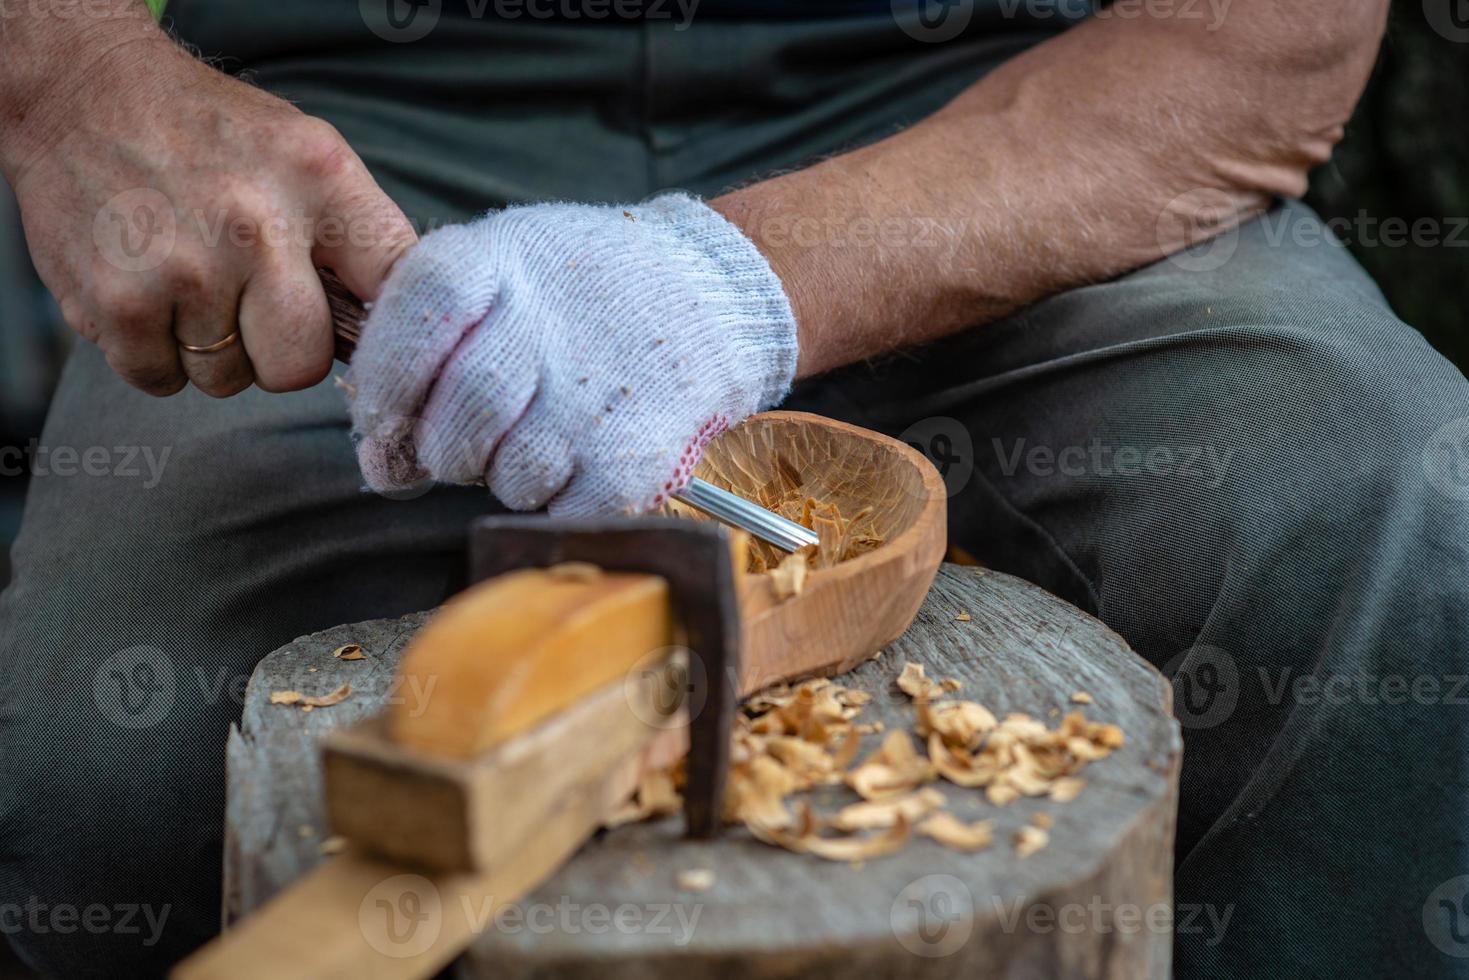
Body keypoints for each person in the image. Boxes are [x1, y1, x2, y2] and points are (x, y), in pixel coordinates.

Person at [4, 0, 1465, 977]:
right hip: (365, 139)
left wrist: (719, 285)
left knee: (1374, 510)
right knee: (102, 756)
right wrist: (70, 77)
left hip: (1004, 122)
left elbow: (1266, 43)